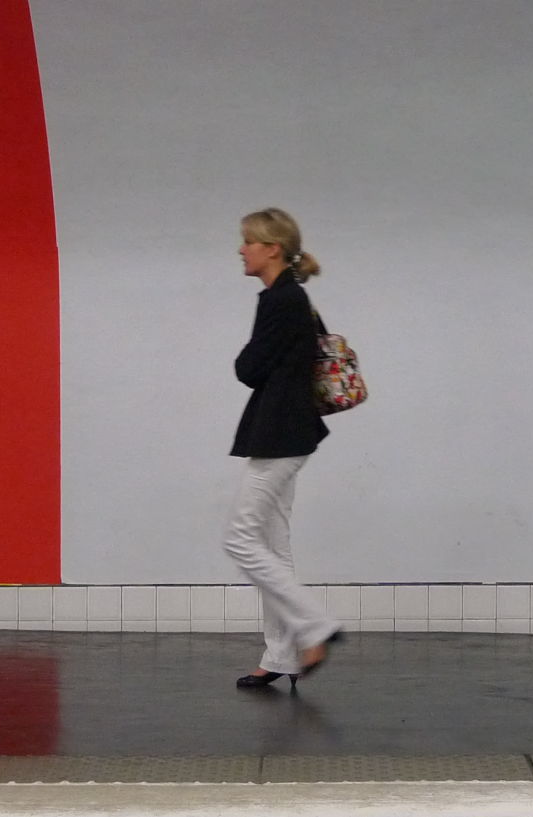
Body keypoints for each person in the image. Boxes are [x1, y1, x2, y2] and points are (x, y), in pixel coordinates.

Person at [225, 207, 343, 690]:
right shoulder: (295, 298)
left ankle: (315, 626)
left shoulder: (281, 300)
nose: (241, 250)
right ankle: (283, 656)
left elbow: (248, 368)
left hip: (280, 433)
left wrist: (249, 357)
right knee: (273, 543)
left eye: (248, 242)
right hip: (289, 433)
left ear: (271, 248)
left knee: (240, 539)